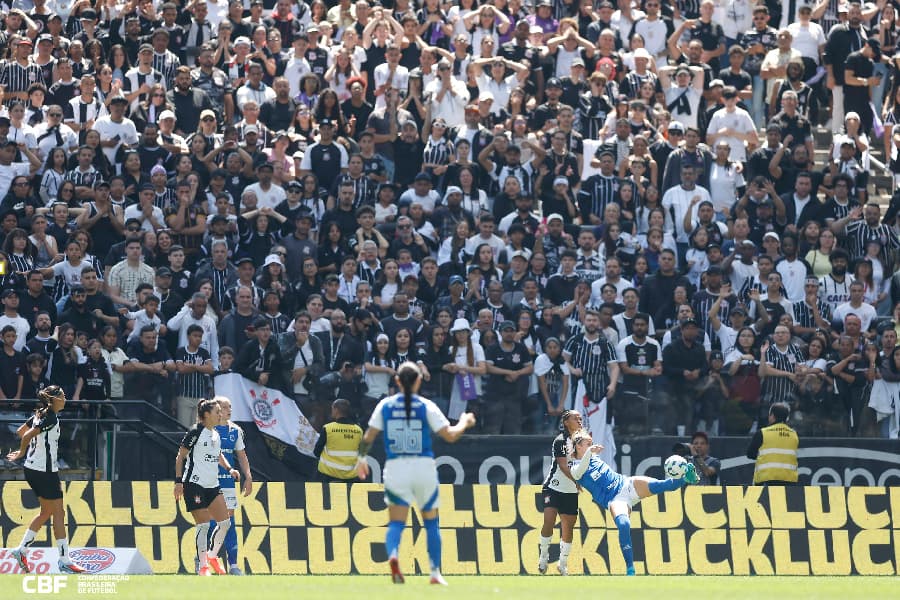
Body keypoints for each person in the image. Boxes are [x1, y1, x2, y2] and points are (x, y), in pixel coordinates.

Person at [356, 362, 477, 585]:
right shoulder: (426, 406)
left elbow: (368, 437)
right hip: (423, 467)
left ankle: (393, 557)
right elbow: (450, 436)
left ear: (397, 381)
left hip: (395, 468)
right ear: (419, 381)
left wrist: (361, 459)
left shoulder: (385, 405)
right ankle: (434, 573)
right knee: (431, 523)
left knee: (396, 524)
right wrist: (464, 422)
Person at [568, 428, 698, 576]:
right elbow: (579, 471)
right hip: (615, 499)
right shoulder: (574, 468)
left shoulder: (592, 456)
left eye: (591, 443)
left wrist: (590, 452)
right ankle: (630, 568)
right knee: (624, 525)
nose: (591, 446)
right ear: (578, 446)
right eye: (587, 443)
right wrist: (590, 452)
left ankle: (687, 478)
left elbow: (589, 460)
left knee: (663, 485)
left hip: (626, 484)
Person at [5, 386, 87, 574]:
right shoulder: (50, 417)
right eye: (63, 396)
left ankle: (21, 550)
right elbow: (25, 435)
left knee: (47, 512)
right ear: (54, 399)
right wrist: (23, 451)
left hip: (32, 469)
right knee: (58, 513)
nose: (65, 399)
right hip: (45, 471)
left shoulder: (40, 414)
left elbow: (20, 430)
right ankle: (65, 561)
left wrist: (32, 449)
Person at [174, 398, 241, 576]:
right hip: (194, 484)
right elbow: (180, 457)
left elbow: (217, 454)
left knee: (225, 523)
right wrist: (178, 482)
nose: (220, 414)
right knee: (203, 526)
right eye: (217, 412)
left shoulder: (215, 434)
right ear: (206, 415)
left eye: (221, 411)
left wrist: (230, 469)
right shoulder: (195, 432)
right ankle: (203, 566)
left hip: (212, 485)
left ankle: (212, 556)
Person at [208, 397, 252, 576]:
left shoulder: (236, 430)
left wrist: (248, 476)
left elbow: (241, 456)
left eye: (230, 406)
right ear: (217, 409)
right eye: (225, 407)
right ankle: (204, 561)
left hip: (227, 482)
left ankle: (233, 564)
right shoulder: (208, 429)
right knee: (210, 523)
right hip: (209, 481)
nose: (229, 410)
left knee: (229, 523)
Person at [538, 409, 583, 576]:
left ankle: (562, 564)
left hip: (570, 491)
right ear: (566, 422)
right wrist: (577, 481)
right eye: (575, 418)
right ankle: (543, 557)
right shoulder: (560, 441)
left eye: (580, 418)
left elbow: (588, 464)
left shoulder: (583, 441)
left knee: (568, 528)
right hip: (554, 487)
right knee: (549, 521)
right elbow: (563, 466)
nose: (580, 421)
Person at [746, 402, 799, 485]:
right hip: (789, 481)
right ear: (786, 418)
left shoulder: (762, 433)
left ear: (772, 416)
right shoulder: (794, 434)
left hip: (766, 479)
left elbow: (750, 454)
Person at [314, 398, 364, 482]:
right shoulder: (358, 430)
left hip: (328, 474)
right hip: (350, 475)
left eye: (332, 409)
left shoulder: (328, 428)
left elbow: (316, 452)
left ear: (336, 410)